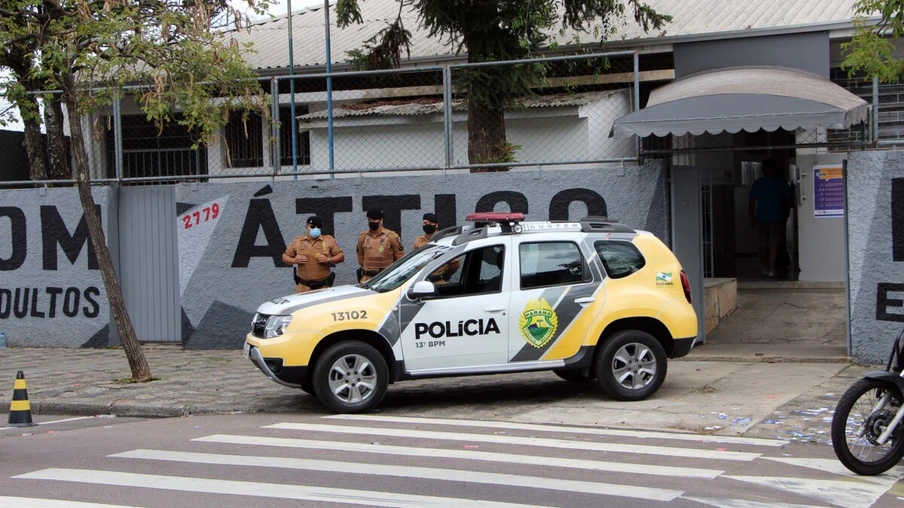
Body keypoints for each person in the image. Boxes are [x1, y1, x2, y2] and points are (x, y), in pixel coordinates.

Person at [748, 159, 793, 278]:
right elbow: (788, 199)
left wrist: (751, 217)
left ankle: (764, 266)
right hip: (777, 217)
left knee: (763, 243)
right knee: (774, 243)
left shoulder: (758, 183)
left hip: (762, 218)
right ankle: (772, 268)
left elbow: (752, 202)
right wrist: (787, 213)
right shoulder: (780, 182)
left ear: (763, 170)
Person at [282, 216, 344, 293]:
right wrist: (294, 260)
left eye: (318, 227)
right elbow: (285, 257)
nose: (315, 229)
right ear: (306, 227)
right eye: (312, 226)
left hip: (323, 286)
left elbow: (341, 256)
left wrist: (328, 259)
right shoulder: (297, 241)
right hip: (303, 287)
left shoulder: (328, 240)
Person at [356, 209, 404, 283]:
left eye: (374, 219)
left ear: (381, 220)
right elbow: (360, 257)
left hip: (386, 278)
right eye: (369, 220)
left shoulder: (391, 236)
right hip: (367, 278)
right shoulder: (363, 237)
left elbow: (400, 258)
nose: (371, 222)